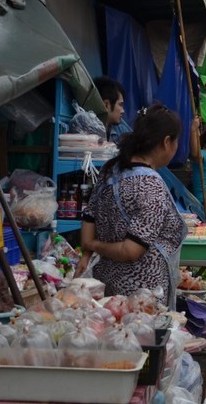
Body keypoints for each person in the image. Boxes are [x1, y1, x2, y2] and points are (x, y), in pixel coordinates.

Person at [74, 104, 185, 308]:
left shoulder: (111, 171)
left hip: (107, 288)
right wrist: (93, 246)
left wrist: (88, 251)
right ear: (166, 142)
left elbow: (89, 216)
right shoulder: (151, 186)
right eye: (176, 141)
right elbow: (130, 250)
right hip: (142, 296)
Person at [93, 76, 132, 145]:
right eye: (120, 105)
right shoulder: (88, 130)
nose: (123, 111)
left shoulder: (121, 129)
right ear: (106, 105)